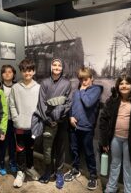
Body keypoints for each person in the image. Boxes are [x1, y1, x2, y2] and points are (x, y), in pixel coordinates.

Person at [64, 67, 103, 190]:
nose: (83, 82)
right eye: (81, 79)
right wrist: (70, 117)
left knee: (88, 152)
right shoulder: (76, 92)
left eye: (86, 79)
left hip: (87, 127)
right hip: (74, 127)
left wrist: (82, 91)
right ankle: (75, 170)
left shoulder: (96, 90)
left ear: (92, 78)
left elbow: (88, 103)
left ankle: (92, 176)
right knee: (74, 150)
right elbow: (70, 106)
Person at [36, 58, 71, 189]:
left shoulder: (67, 83)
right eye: (54, 65)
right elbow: (41, 103)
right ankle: (48, 170)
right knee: (47, 149)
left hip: (61, 122)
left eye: (59, 65)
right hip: (48, 122)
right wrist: (49, 120)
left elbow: (68, 102)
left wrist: (59, 115)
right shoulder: (44, 83)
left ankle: (59, 173)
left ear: (62, 68)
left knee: (60, 148)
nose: (56, 67)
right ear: (51, 67)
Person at [9, 59, 40, 188]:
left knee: (31, 148)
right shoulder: (15, 87)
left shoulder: (39, 87)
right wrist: (16, 119)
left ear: (33, 71)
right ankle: (20, 172)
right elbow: (12, 105)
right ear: (21, 72)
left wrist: (37, 122)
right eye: (24, 70)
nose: (27, 73)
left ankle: (30, 167)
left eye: (29, 70)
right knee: (20, 149)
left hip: (33, 126)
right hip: (20, 126)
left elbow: (40, 106)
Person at [0, 64, 17, 175]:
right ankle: (1, 164)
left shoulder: (18, 86)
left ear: (13, 74)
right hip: (3, 121)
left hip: (14, 120)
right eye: (5, 72)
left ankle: (13, 162)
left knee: (13, 143)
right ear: (2, 75)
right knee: (3, 143)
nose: (7, 74)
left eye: (10, 71)